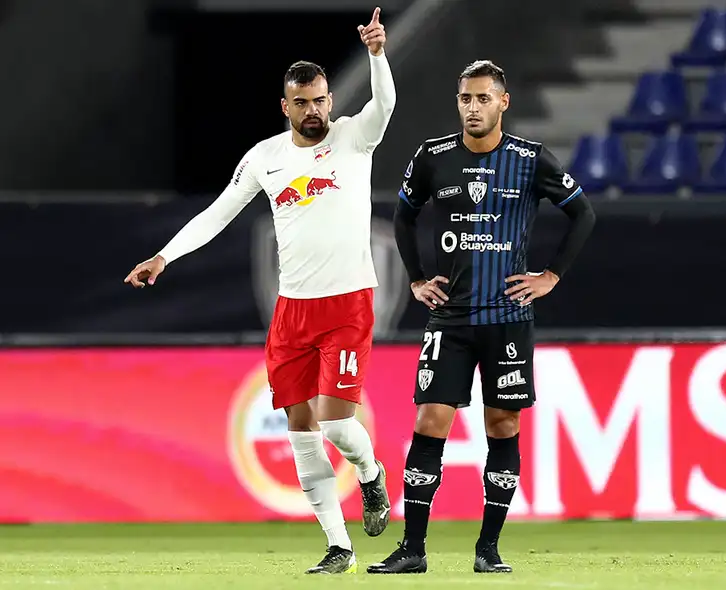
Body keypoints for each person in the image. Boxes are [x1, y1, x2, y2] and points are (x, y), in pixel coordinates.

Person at [123, 7, 396, 575]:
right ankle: (337, 545)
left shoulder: (352, 140)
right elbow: (219, 213)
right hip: (292, 310)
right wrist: (164, 255)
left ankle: (371, 477)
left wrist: (376, 55)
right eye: (304, 102)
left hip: (347, 301)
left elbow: (385, 105)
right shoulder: (266, 158)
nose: (317, 109)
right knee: (300, 431)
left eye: (322, 99)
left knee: (340, 423)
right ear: (286, 106)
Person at [367, 60, 596, 574]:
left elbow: (584, 213)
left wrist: (550, 277)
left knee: (503, 423)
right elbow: (403, 214)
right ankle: (413, 550)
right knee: (430, 421)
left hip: (507, 317)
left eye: (483, 99)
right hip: (449, 318)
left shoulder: (530, 159)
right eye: (466, 99)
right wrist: (416, 277)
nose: (474, 108)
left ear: (503, 102)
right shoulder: (433, 156)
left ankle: (488, 550)